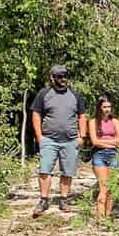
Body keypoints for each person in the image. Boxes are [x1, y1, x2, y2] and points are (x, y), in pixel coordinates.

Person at [31, 64, 87, 216]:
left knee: (67, 171)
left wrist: (82, 136)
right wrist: (39, 136)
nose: (63, 79)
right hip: (49, 139)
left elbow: (82, 116)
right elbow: (36, 114)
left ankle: (64, 199)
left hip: (70, 140)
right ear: (53, 77)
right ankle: (44, 199)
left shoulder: (75, 95)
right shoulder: (44, 94)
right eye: (59, 76)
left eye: (65, 76)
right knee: (44, 170)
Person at [88, 95, 119, 221]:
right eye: (104, 107)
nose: (107, 109)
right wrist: (109, 142)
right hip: (99, 154)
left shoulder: (115, 122)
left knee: (111, 187)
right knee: (103, 186)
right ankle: (100, 216)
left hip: (113, 154)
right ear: (99, 108)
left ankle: (108, 215)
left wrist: (106, 142)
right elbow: (95, 141)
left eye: (109, 107)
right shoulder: (93, 122)